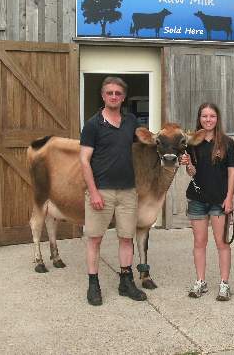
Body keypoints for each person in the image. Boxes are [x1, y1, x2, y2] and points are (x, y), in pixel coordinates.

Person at [80, 76, 147, 306]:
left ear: (123, 97)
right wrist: (94, 192)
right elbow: (84, 161)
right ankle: (93, 284)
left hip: (127, 191)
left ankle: (126, 282)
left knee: (126, 238)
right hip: (102, 191)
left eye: (118, 93)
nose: (114, 96)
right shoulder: (92, 125)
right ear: (103, 96)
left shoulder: (131, 121)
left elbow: (147, 142)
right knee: (95, 239)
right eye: (110, 93)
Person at [179, 103, 234, 301]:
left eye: (212, 116)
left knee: (221, 243)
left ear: (217, 119)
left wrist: (230, 197)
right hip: (197, 199)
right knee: (199, 242)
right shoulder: (191, 143)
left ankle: (224, 283)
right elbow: (192, 173)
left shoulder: (228, 143)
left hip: (219, 200)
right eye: (204, 116)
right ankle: (200, 281)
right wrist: (188, 165)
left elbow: (232, 172)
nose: (208, 119)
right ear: (199, 118)